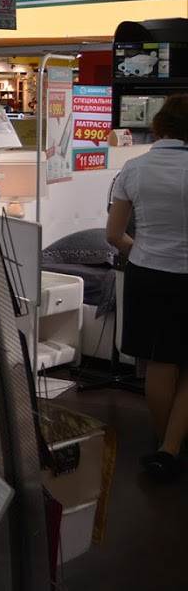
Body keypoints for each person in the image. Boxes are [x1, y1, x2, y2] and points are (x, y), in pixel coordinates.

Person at [106, 94, 188, 483]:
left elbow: (113, 234)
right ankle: (171, 446)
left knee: (159, 360)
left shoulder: (133, 168)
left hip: (146, 273)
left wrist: (142, 250)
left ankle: (164, 444)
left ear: (159, 125)